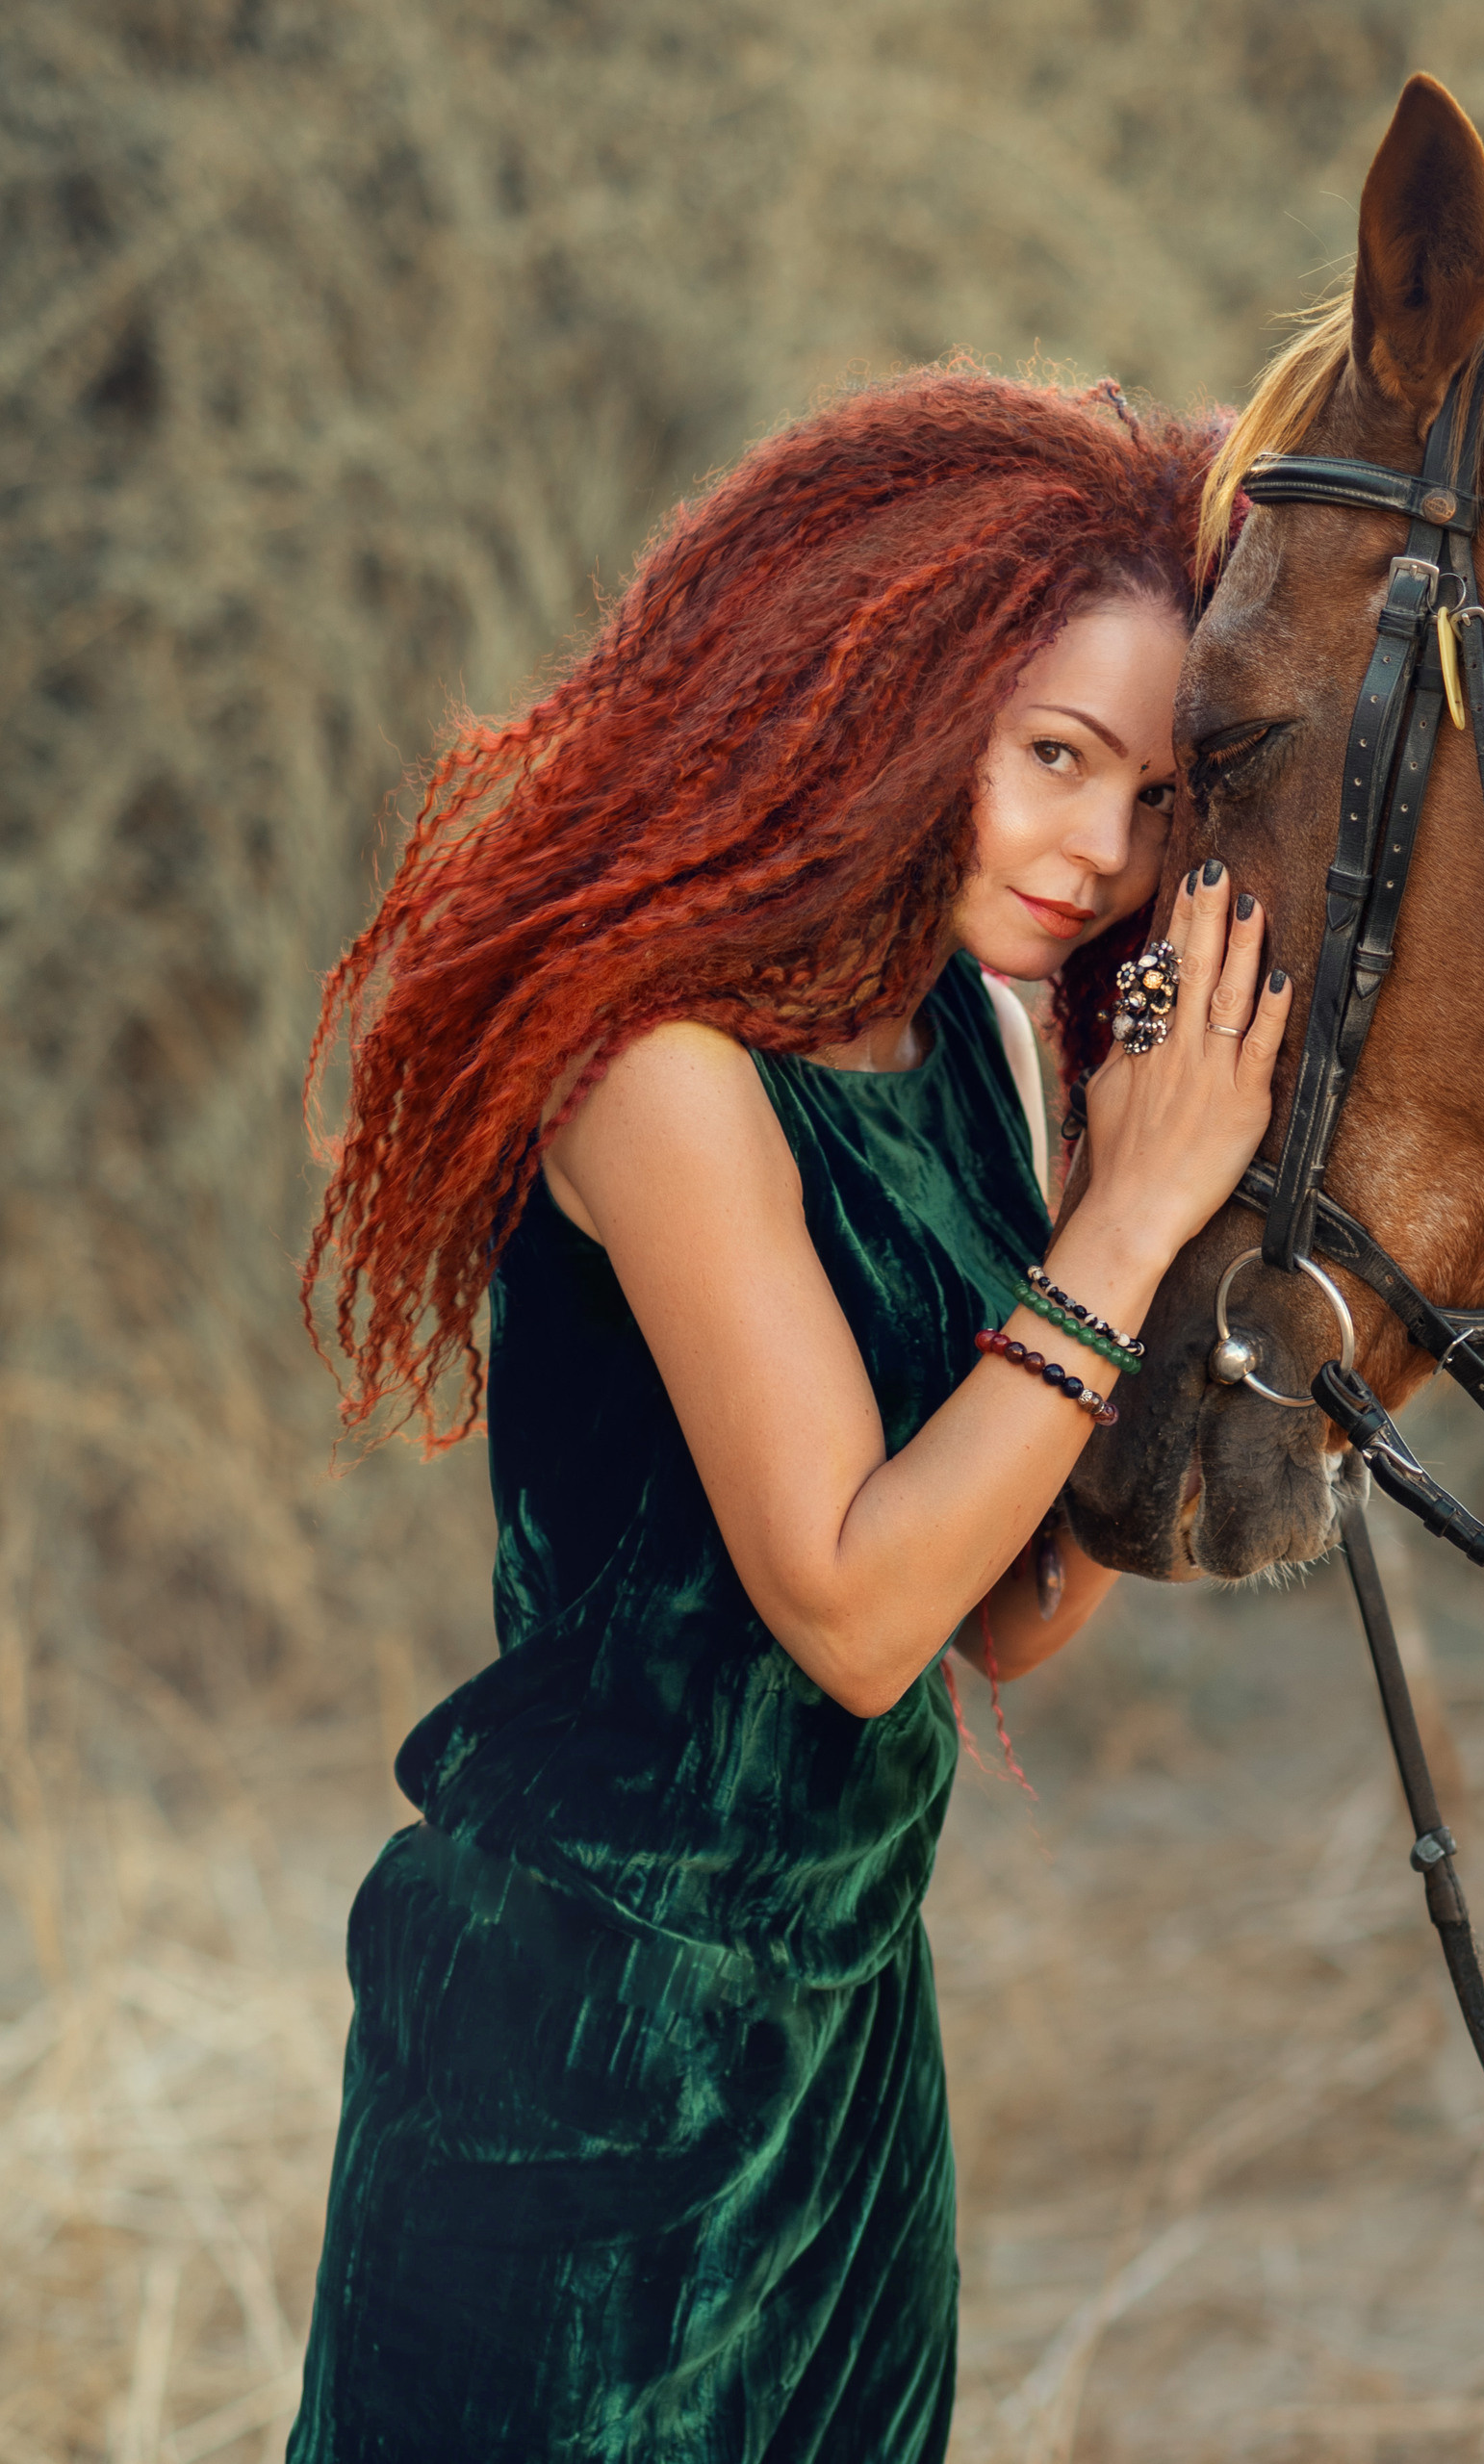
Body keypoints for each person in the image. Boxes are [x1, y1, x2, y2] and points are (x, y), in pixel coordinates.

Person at [289, 370, 1288, 2462]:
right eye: (1050, 760)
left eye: (1150, 796)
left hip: (844, 2030)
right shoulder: (660, 1068)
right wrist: (1121, 1226)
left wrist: (1185, 1289)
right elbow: (848, 1600)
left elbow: (991, 1612)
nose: (1095, 852)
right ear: (889, 701)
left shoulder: (948, 1043)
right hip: (579, 2040)